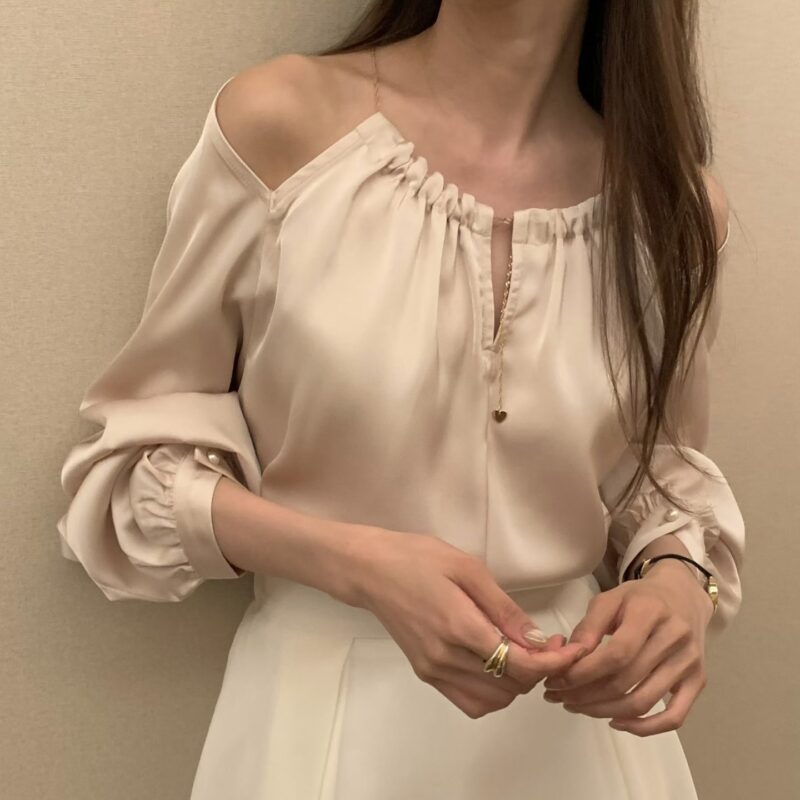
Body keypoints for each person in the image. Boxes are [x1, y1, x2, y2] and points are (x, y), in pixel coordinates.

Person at [57, 1, 745, 797]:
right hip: (320, 714)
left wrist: (679, 585)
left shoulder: (669, 211)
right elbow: (126, 478)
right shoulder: (285, 127)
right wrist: (355, 563)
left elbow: (662, 479)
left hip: (580, 736)